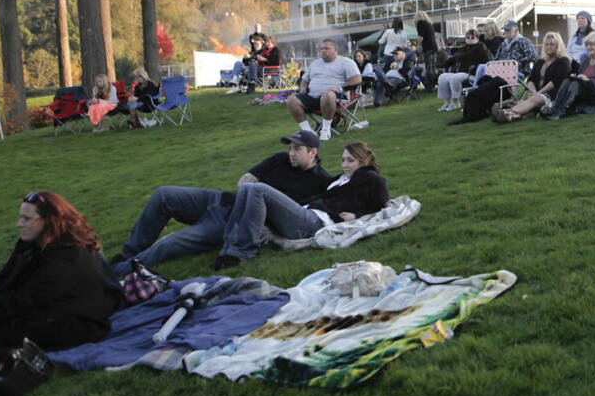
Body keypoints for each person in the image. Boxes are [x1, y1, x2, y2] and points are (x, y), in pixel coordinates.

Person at [109, 131, 332, 275]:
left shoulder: (319, 181)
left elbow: (296, 215)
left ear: (312, 152)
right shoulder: (279, 160)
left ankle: (118, 271)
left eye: (297, 149)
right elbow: (245, 180)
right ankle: (129, 252)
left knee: (169, 244)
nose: (291, 153)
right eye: (290, 148)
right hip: (220, 200)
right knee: (164, 194)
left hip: (231, 221)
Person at [216, 142, 389, 268]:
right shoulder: (339, 179)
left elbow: (381, 208)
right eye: (343, 160)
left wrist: (356, 216)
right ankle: (229, 249)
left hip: (316, 223)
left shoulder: (372, 179)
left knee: (257, 189)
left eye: (350, 160)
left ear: (364, 161)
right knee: (247, 188)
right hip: (306, 213)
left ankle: (243, 252)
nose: (345, 165)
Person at [0, 191, 121, 352]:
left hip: (75, 322)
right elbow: (5, 278)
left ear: (48, 221)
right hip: (46, 309)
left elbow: (26, 299)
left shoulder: (67, 256)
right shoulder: (32, 242)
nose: (19, 224)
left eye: (27, 219)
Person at [287, 38, 362, 140]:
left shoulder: (346, 62)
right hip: (313, 97)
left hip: (336, 98)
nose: (323, 51)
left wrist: (340, 88)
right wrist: (303, 87)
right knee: (291, 99)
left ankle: (325, 130)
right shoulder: (315, 64)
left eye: (326, 48)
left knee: (328, 95)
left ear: (335, 49)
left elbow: (357, 79)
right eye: (321, 48)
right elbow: (304, 80)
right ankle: (307, 131)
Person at [496, 32, 573, 122]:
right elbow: (530, 79)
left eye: (552, 44)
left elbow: (555, 82)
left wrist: (538, 93)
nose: (548, 47)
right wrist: (533, 91)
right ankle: (511, 115)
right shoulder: (540, 61)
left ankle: (508, 112)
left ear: (558, 46)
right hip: (538, 94)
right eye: (546, 44)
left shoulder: (563, 61)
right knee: (533, 98)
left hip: (553, 96)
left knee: (534, 99)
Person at [540, 32, 595, 120]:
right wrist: (576, 76)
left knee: (575, 84)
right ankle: (555, 108)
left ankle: (561, 111)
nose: (589, 47)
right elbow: (579, 77)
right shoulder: (585, 62)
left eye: (592, 45)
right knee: (568, 80)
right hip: (584, 91)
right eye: (587, 45)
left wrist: (588, 80)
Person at [435, 28, 490, 111]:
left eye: (472, 37)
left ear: (477, 38)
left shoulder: (481, 48)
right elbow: (453, 59)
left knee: (456, 78)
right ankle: (447, 101)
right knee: (442, 77)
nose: (470, 39)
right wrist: (440, 65)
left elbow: (485, 63)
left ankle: (455, 102)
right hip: (461, 73)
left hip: (473, 74)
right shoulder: (464, 48)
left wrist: (473, 69)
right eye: (468, 37)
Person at [415, 11, 439, 89]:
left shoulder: (420, 23)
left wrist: (418, 45)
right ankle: (434, 84)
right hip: (434, 46)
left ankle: (429, 87)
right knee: (433, 67)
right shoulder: (429, 24)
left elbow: (420, 37)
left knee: (428, 67)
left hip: (427, 47)